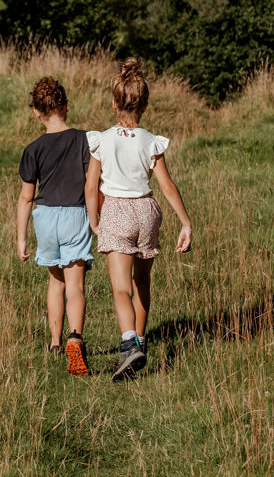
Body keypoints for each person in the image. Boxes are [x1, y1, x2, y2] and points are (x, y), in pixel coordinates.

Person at [85, 58, 192, 381]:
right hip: (147, 211)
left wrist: (94, 220)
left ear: (113, 102)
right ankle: (140, 340)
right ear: (145, 104)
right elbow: (167, 186)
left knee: (120, 288)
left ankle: (129, 344)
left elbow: (91, 186)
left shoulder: (101, 140)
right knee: (141, 282)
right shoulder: (151, 141)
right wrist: (186, 222)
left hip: (117, 212)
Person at [17, 77, 92, 376]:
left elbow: (26, 197)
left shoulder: (32, 149)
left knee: (55, 282)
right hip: (75, 214)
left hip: (45, 217)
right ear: (67, 106)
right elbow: (92, 184)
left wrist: (21, 237)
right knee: (75, 285)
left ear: (36, 112)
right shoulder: (86, 140)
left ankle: (55, 342)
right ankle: (76, 336)